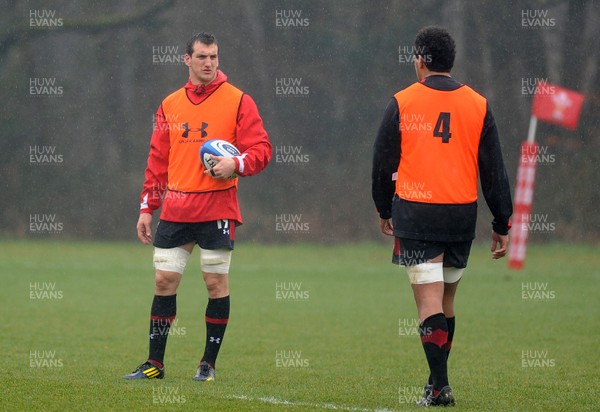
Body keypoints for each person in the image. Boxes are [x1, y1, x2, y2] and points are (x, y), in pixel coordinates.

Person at [371, 26, 512, 406]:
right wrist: (502, 222)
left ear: (419, 60)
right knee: (446, 300)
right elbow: (494, 170)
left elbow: (383, 163)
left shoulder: (402, 101)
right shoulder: (478, 104)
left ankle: (440, 386)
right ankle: (436, 385)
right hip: (460, 215)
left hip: (417, 214)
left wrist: (384, 208)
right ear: (451, 61)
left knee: (428, 302)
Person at [124, 32, 271, 382]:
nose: (209, 63)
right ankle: (154, 365)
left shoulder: (239, 100)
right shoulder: (169, 104)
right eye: (202, 57)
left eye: (214, 57)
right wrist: (148, 207)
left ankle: (208, 364)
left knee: (215, 284)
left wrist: (235, 165)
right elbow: (158, 160)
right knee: (163, 281)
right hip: (176, 207)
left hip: (218, 207)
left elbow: (262, 149)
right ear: (186, 60)